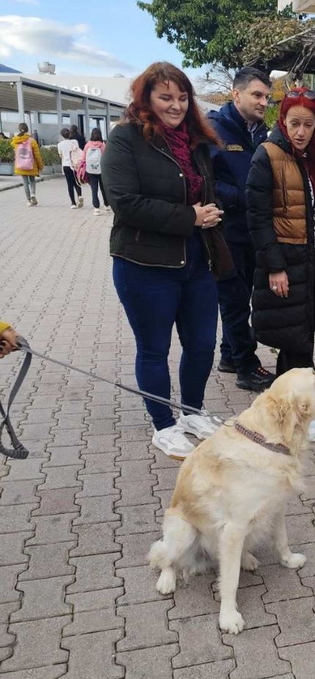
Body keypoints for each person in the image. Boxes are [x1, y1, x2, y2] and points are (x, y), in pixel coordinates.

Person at [102, 61, 234, 460]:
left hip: (197, 261)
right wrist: (189, 216)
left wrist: (212, 209)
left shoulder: (196, 141)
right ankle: (164, 425)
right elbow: (123, 203)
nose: (175, 106)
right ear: (146, 99)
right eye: (165, 98)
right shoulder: (125, 138)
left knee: (201, 345)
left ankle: (192, 412)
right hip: (144, 265)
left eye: (181, 97)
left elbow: (208, 188)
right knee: (154, 350)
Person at [246, 88, 315, 441]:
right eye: (294, 123)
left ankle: (290, 412)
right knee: (297, 342)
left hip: (313, 259)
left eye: (308, 124)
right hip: (285, 262)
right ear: (283, 122)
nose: (301, 131)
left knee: (300, 336)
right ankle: (303, 414)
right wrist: (275, 266)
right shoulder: (268, 156)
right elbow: (257, 218)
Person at [207, 67, 275, 392]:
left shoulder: (261, 132)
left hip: (252, 231)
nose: (264, 102)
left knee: (242, 296)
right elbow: (205, 182)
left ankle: (228, 356)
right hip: (226, 232)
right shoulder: (213, 131)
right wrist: (243, 198)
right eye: (257, 95)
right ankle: (248, 368)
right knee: (234, 300)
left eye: (267, 97)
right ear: (236, 94)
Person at [11, 123, 44, 207]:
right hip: (31, 164)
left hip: (20, 165)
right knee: (32, 181)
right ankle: (33, 194)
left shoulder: (15, 141)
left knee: (25, 183)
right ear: (27, 129)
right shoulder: (32, 141)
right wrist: (40, 166)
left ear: (19, 129)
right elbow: (37, 155)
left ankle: (29, 201)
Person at [80, 128, 110, 215]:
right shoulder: (102, 145)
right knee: (103, 188)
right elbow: (106, 157)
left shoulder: (87, 145)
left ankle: (96, 208)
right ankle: (107, 205)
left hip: (90, 170)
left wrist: (81, 167)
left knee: (94, 189)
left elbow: (83, 158)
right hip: (101, 169)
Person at [57, 128, 83, 208]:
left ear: (62, 135)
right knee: (77, 182)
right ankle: (79, 196)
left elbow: (60, 155)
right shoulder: (74, 142)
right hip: (75, 165)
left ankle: (73, 203)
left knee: (70, 184)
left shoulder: (59, 145)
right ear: (70, 134)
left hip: (66, 165)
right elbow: (77, 152)